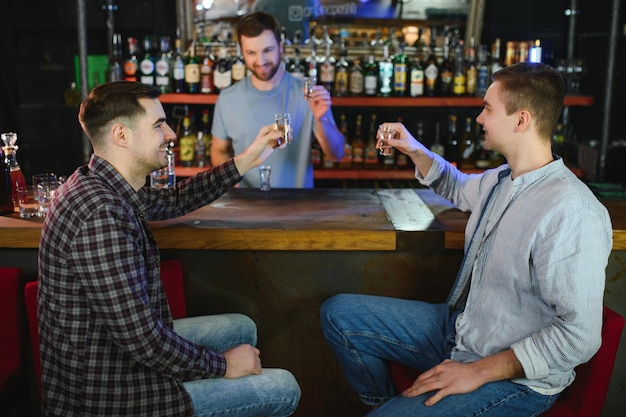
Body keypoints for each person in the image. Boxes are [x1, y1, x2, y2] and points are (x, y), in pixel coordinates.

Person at [320, 62, 613, 417]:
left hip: (514, 381)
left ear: (521, 120)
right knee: (338, 314)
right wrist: (413, 148)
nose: (478, 118)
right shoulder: (502, 179)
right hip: (463, 331)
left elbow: (578, 336)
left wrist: (477, 372)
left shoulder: (572, 210)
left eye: (488, 108)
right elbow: (457, 186)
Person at [37, 81, 301, 416]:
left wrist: (248, 159)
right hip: (113, 393)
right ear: (121, 135)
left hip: (115, 355)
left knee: (243, 327)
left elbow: (177, 199)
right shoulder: (100, 215)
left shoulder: (100, 183)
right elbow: (143, 342)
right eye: (159, 125)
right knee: (282, 387)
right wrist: (223, 366)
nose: (172, 134)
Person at [210, 11, 344, 188]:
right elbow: (219, 150)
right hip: (246, 207)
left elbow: (337, 154)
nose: (261, 60)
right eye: (251, 52)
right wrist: (232, 186)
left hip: (297, 207)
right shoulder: (228, 98)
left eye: (268, 50)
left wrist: (322, 119)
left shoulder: (307, 93)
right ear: (242, 52)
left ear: (281, 47)